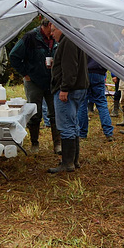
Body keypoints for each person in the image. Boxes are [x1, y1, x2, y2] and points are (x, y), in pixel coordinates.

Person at [9, 19, 61, 154]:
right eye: (54, 27)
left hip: (52, 80)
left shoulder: (56, 38)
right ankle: (34, 143)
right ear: (49, 25)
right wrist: (25, 73)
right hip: (34, 81)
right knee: (34, 113)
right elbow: (14, 56)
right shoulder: (30, 37)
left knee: (55, 113)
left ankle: (58, 144)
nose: (55, 30)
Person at [48, 22, 89, 173]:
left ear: (61, 28)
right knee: (73, 124)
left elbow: (70, 68)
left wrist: (64, 88)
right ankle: (74, 160)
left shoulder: (68, 41)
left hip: (69, 90)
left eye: (53, 30)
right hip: (78, 87)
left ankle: (67, 163)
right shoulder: (75, 38)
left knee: (66, 126)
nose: (51, 34)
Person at [77, 56, 114, 141]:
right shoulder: (102, 43)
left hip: (84, 73)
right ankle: (108, 132)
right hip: (99, 72)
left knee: (82, 104)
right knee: (101, 103)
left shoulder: (83, 42)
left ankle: (82, 133)